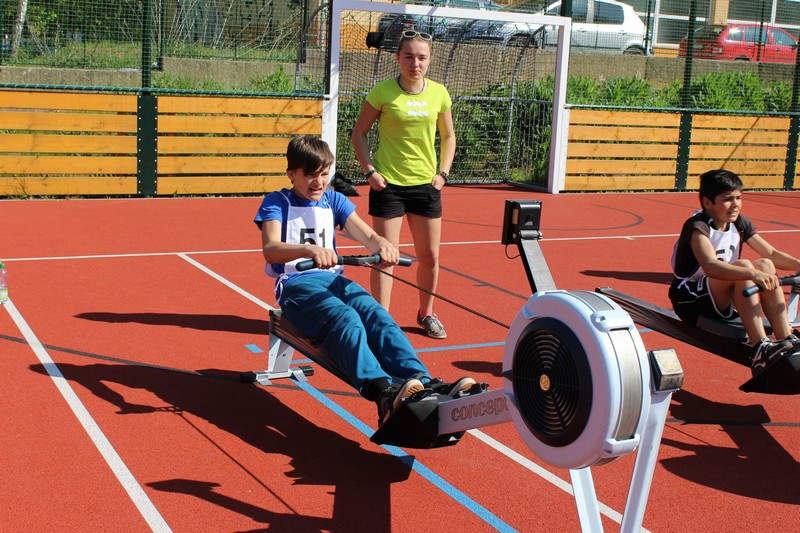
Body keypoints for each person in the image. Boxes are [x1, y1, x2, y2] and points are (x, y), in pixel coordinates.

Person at [254, 135, 476, 424]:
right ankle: (382, 391)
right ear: (291, 174)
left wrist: (382, 246)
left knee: (377, 315)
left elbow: (368, 235)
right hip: (297, 286)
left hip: (334, 281)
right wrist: (309, 250)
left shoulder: (334, 200)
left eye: (324, 174)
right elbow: (271, 249)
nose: (319, 182)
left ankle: (423, 382)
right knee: (345, 318)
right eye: (310, 175)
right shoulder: (277, 202)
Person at [351, 30, 455, 340]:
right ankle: (381, 320)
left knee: (430, 257)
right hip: (388, 186)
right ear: (398, 58)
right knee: (385, 256)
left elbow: (449, 136)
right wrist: (370, 171)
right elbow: (359, 133)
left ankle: (427, 313)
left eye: (422, 57)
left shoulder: (439, 93)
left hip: (426, 186)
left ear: (430, 60)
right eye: (408, 56)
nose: (415, 63)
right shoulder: (382, 92)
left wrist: (443, 174)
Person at [669, 169, 800, 376]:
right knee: (745, 267)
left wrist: (798, 265)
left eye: (739, 198)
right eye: (728, 199)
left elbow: (771, 254)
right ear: (707, 202)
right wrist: (752, 274)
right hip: (689, 299)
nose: (736, 204)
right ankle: (760, 348)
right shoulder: (697, 226)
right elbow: (710, 265)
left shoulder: (738, 222)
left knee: (765, 264)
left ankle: (786, 338)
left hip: (719, 294)